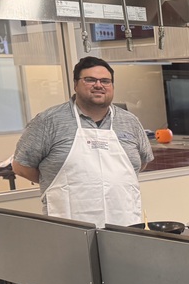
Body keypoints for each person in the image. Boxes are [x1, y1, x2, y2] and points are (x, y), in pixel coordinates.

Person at [12, 56, 153, 227]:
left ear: (112, 86)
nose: (98, 85)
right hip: (69, 226)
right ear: (76, 85)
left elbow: (141, 162)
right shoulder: (48, 121)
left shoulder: (130, 122)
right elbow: (21, 166)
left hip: (124, 223)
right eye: (90, 80)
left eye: (105, 81)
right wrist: (54, 179)